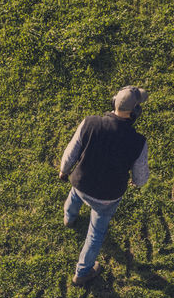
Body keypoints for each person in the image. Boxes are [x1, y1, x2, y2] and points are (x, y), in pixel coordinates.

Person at [59, 86, 150, 287]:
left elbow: (71, 150)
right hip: (107, 196)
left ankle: (69, 218)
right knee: (96, 233)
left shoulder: (89, 123)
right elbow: (141, 177)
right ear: (135, 113)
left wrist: (64, 170)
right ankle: (82, 272)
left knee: (74, 197)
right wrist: (136, 182)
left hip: (81, 182)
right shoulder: (138, 142)